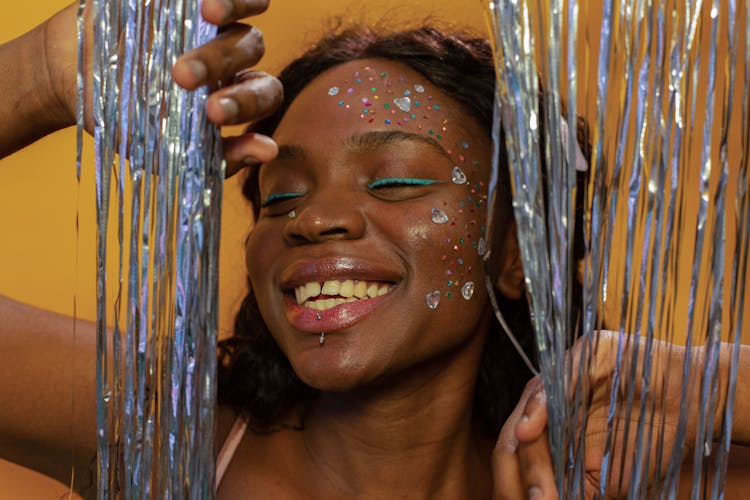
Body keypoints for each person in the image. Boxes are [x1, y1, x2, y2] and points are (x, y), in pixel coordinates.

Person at [0, 0, 748, 498]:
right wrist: (36, 76)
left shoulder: (596, 472)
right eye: (282, 194)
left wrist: (715, 386)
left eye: (392, 181)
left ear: (518, 252)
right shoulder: (170, 431)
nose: (314, 219)